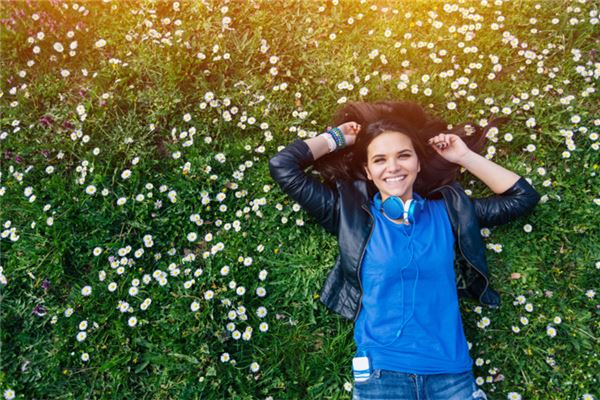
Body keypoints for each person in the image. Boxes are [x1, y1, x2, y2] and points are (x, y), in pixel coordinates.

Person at [269, 101, 540, 400]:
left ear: (418, 163)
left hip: (451, 376)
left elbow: (522, 197)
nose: (393, 167)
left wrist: (463, 156)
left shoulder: (448, 213)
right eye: (380, 160)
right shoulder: (347, 214)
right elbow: (282, 166)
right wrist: (335, 138)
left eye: (403, 155)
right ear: (368, 171)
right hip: (382, 377)